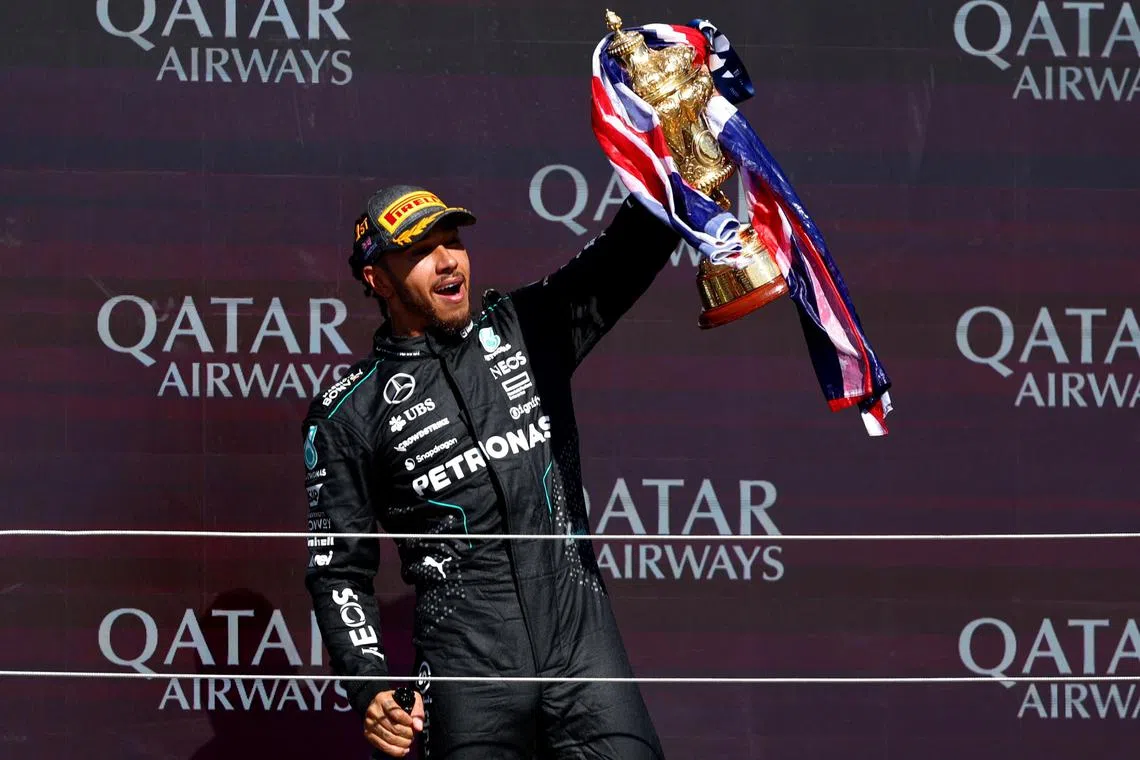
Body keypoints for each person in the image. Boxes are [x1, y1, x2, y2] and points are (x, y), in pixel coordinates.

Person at [302, 184, 679, 759]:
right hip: (466, 668)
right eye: (421, 252)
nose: (449, 260)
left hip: (583, 648)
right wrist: (369, 683)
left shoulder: (528, 327)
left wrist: (680, 162)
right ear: (377, 279)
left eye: (453, 242)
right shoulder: (348, 413)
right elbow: (338, 571)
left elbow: (624, 253)